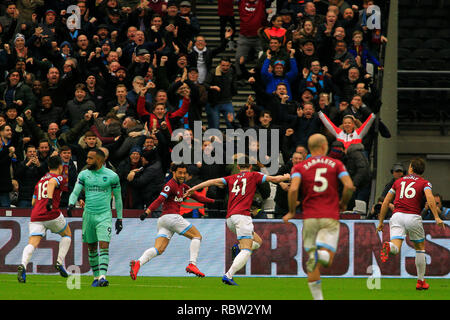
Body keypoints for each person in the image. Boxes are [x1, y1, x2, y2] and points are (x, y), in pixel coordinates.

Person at [185, 158, 290, 285]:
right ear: (250, 166)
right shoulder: (254, 175)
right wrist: (285, 176)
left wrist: (192, 189)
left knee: (257, 242)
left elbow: (210, 182)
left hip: (230, 219)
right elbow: (274, 179)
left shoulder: (231, 178)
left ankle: (237, 247)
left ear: (239, 167)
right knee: (247, 249)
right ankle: (228, 275)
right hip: (242, 217)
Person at [283, 133, 355, 300]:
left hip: (309, 218)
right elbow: (349, 186)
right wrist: (343, 203)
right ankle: (320, 255)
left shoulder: (299, 167)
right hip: (329, 217)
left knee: (313, 261)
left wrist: (292, 211)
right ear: (324, 147)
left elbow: (293, 189)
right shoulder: (336, 164)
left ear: (310, 148)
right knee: (327, 260)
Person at [129, 163, 216, 280]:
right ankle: (192, 264)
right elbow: (160, 199)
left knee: (159, 249)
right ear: (173, 173)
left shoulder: (183, 186)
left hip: (164, 221)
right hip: (172, 218)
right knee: (197, 237)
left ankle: (138, 263)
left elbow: (198, 197)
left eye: (184, 173)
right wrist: (147, 212)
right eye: (180, 173)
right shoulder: (170, 185)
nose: (182, 175)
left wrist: (213, 201)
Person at [376, 158, 445, 290]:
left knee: (396, 247)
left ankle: (390, 246)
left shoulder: (398, 181)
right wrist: (436, 217)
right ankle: (421, 281)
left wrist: (380, 222)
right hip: (413, 217)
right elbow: (430, 197)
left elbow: (385, 201)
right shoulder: (425, 183)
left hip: (397, 216)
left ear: (411, 168)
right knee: (420, 247)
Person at [68, 148, 123, 287]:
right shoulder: (84, 174)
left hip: (104, 215)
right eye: (87, 158)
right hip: (88, 215)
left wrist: (120, 218)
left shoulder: (112, 176)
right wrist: (70, 203)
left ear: (99, 159)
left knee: (104, 245)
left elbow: (118, 197)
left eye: (90, 158)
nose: (87, 161)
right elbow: (75, 191)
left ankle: (103, 276)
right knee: (91, 248)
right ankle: (96, 276)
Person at [17, 156, 72, 283]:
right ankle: (59, 262)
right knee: (67, 234)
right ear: (60, 166)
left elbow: (33, 201)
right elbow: (52, 183)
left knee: (32, 243)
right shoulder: (59, 177)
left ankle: (23, 265)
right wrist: (50, 199)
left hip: (36, 215)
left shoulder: (40, 181)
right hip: (51, 213)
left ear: (47, 167)